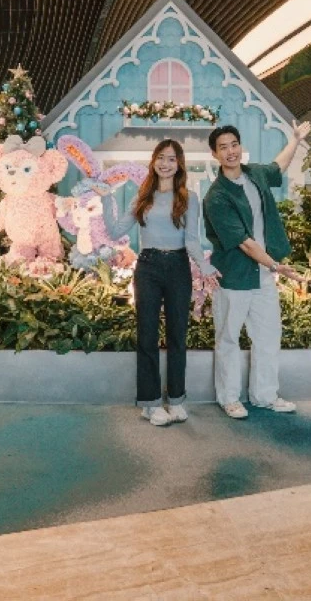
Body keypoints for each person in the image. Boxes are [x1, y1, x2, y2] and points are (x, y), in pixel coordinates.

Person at [101, 139, 218, 426]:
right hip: (148, 267)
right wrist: (106, 198)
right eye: (161, 158)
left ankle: (177, 399)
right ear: (153, 161)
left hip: (178, 266)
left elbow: (192, 239)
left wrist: (204, 267)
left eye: (172, 159)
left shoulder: (188, 198)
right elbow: (116, 230)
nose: (165, 164)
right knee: (148, 336)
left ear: (179, 165)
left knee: (178, 335)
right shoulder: (142, 196)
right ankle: (151, 403)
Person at [203, 122, 310, 419]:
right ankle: (229, 398)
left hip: (262, 277)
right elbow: (246, 244)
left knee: (267, 336)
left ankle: (264, 396)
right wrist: (276, 266)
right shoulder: (216, 197)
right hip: (235, 278)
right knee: (228, 339)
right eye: (223, 147)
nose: (230, 151)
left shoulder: (255, 175)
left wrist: (296, 139)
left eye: (233, 144)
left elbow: (279, 166)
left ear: (240, 147)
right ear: (215, 154)